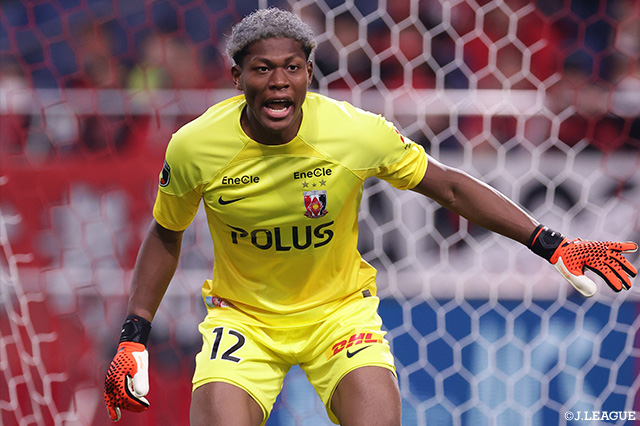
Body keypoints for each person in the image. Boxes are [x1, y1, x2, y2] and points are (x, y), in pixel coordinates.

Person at [103, 7, 638, 426]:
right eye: (262, 69)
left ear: (309, 72)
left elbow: (450, 186)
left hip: (338, 315)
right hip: (244, 321)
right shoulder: (195, 146)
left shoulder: (354, 132)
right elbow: (166, 233)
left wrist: (551, 243)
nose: (279, 81)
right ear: (237, 77)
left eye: (293, 67)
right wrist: (133, 335)